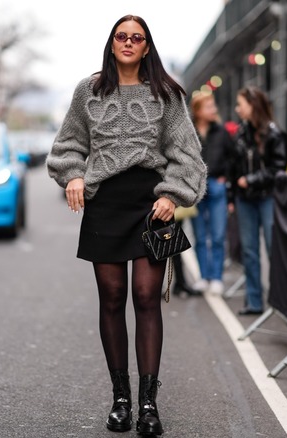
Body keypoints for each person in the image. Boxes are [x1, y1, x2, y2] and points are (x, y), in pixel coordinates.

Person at [45, 15, 206, 436]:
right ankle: (121, 399)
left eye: (138, 37)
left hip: (151, 204)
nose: (129, 42)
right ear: (112, 42)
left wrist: (172, 195)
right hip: (106, 204)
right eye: (123, 36)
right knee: (112, 297)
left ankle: (149, 404)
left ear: (147, 46)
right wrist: (74, 174)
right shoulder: (89, 91)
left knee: (146, 296)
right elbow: (67, 144)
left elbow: (187, 154)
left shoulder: (167, 94)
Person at [226, 86, 287, 316]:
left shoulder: (274, 133)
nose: (237, 108)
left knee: (274, 249)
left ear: (252, 105)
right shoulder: (240, 134)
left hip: (267, 198)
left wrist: (250, 180)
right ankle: (254, 301)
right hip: (245, 200)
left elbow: (278, 169)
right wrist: (233, 195)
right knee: (249, 251)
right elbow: (233, 169)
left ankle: (282, 301)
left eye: (240, 104)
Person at [189, 93, 233, 295]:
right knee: (199, 236)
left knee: (217, 235)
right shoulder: (188, 132)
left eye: (213, 105)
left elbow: (233, 159)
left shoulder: (222, 132)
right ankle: (203, 277)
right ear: (197, 110)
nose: (214, 109)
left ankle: (216, 278)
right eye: (208, 106)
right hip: (195, 188)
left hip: (216, 186)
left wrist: (226, 179)